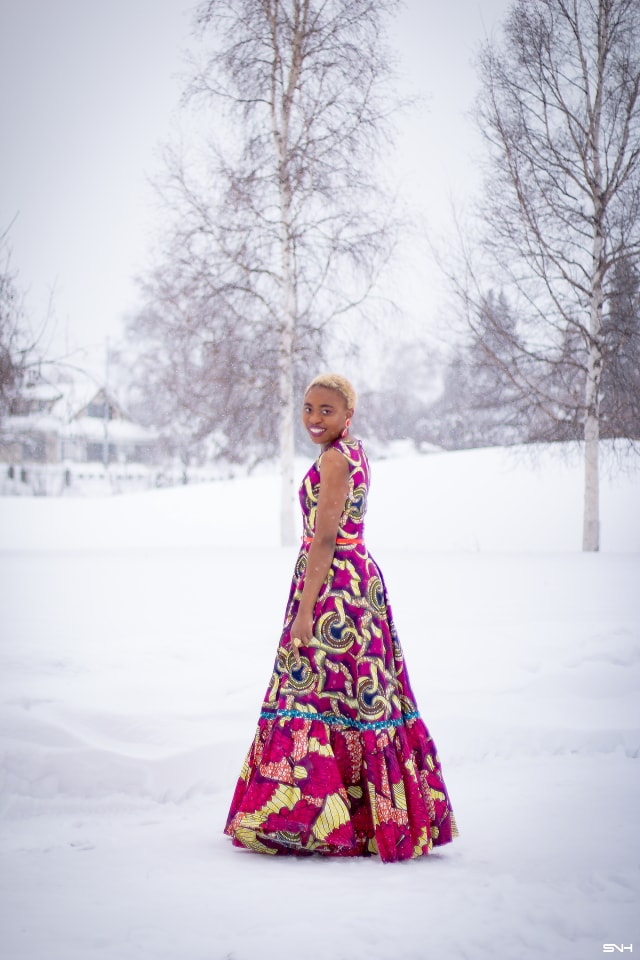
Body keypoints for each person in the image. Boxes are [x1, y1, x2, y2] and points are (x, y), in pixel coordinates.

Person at [224, 373, 458, 862]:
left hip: (334, 589)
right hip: (356, 582)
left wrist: (305, 611)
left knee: (308, 689)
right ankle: (363, 821)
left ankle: (299, 816)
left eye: (325, 411)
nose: (313, 419)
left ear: (347, 416)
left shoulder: (334, 459)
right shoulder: (354, 451)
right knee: (358, 696)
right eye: (308, 408)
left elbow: (326, 540)